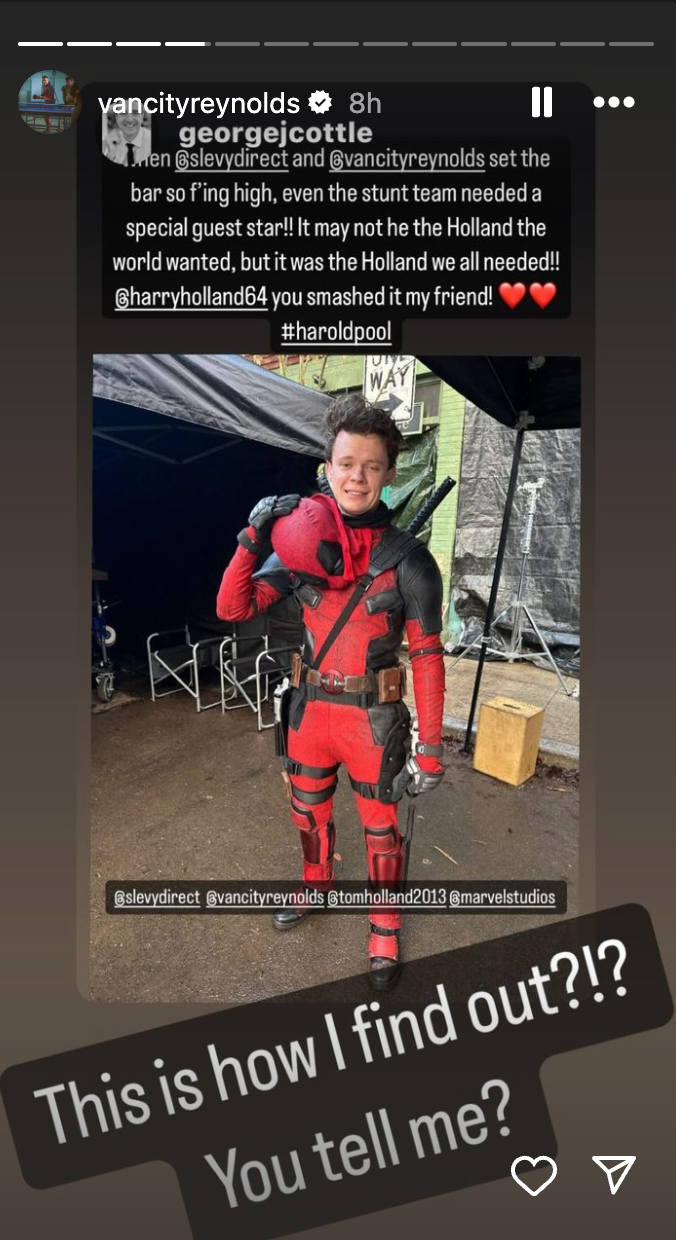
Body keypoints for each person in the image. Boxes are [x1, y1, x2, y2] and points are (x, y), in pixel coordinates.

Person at [216, 395, 446, 990]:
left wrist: (431, 750)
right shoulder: (298, 544)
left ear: (390, 472)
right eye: (346, 463)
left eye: (371, 466)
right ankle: (315, 884)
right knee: (307, 812)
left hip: (373, 720)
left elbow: (427, 656)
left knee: (381, 829)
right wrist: (252, 537)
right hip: (310, 712)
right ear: (328, 467)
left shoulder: (411, 562)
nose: (357, 477)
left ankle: (385, 924)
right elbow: (233, 608)